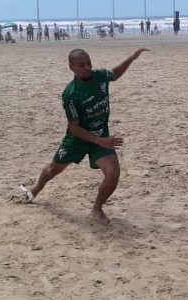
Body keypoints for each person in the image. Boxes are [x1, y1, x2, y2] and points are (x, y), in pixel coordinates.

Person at [20, 48, 149, 225]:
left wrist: (131, 58)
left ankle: (97, 207)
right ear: (71, 67)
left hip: (101, 137)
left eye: (89, 63)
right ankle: (36, 188)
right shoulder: (70, 94)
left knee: (113, 173)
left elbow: (115, 73)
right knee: (52, 170)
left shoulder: (100, 76)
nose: (87, 68)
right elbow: (74, 128)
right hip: (77, 139)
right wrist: (99, 140)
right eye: (82, 65)